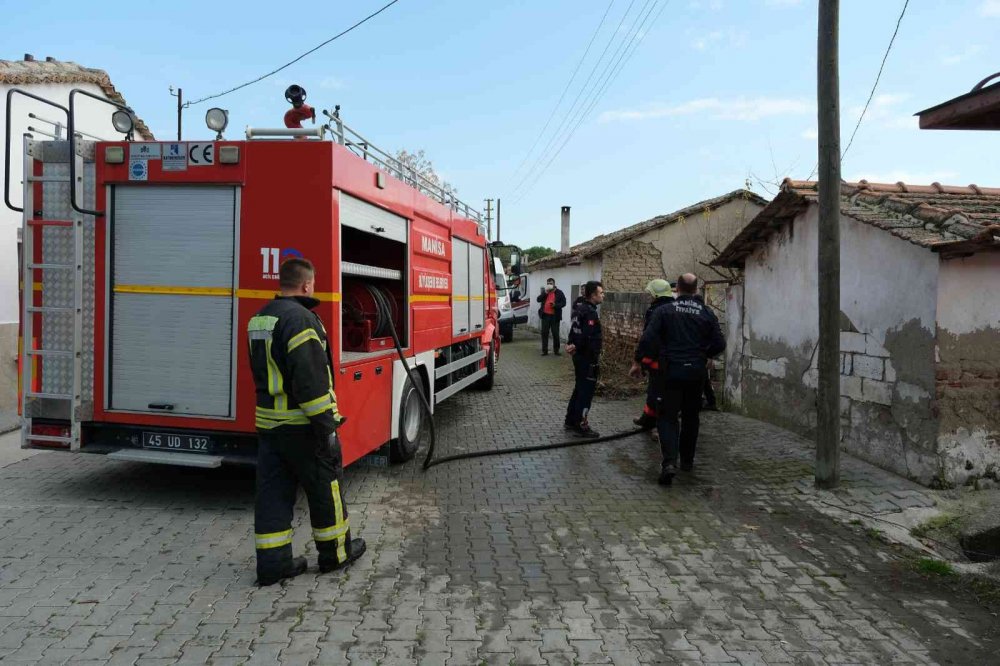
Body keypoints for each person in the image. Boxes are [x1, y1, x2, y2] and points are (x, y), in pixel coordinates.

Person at [247, 258, 366, 586]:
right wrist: (326, 426)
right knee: (325, 488)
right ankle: (335, 554)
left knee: (273, 493)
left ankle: (273, 564)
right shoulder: (301, 320)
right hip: (302, 426)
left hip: (269, 427)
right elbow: (311, 382)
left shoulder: (260, 318)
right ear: (306, 285)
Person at [638, 273, 725, 486]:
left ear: (677, 289)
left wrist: (643, 362)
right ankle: (687, 461)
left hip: (670, 371)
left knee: (667, 417)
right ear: (696, 290)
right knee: (691, 417)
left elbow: (648, 339)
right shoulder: (705, 312)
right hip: (695, 372)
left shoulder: (664, 311)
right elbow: (719, 343)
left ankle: (669, 463)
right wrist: (704, 354)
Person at [629, 279, 675, 430]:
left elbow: (648, 338)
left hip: (659, 360)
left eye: (650, 293)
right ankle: (648, 419)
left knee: (659, 394)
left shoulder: (656, 311)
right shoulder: (676, 308)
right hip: (674, 360)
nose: (649, 296)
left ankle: (658, 427)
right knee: (655, 391)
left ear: (656, 294)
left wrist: (638, 360)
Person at [564, 281, 605, 437]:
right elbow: (586, 336)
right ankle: (581, 424)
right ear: (593, 295)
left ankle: (570, 420)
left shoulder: (579, 309)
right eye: (601, 293)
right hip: (587, 358)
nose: (603, 295)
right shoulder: (589, 313)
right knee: (586, 392)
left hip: (579, 357)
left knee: (579, 388)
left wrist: (571, 344)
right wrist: (576, 346)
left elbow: (573, 332)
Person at [536, 277, 567, 356]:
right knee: (544, 333)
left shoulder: (559, 292)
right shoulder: (546, 292)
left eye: (551, 283)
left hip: (555, 316)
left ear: (554, 284)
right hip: (545, 315)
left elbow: (564, 303)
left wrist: (555, 305)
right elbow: (538, 299)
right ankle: (544, 350)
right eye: (548, 283)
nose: (549, 285)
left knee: (555, 333)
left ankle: (556, 350)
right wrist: (545, 293)